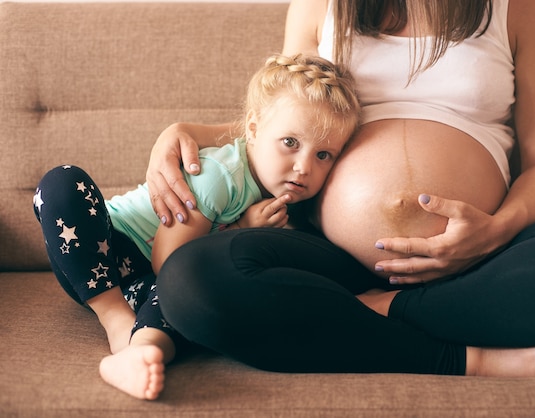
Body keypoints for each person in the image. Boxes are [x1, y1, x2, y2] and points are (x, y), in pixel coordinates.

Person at [147, 0, 535, 378]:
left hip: (482, 261)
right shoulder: (321, 5)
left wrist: (495, 231)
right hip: (332, 262)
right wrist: (185, 131)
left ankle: (377, 312)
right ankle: (465, 358)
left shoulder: (522, 6)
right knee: (191, 279)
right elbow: (280, 121)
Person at [32, 53, 361, 400]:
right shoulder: (222, 175)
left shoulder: (290, 201)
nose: (303, 167)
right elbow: (167, 260)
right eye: (290, 143)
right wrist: (239, 228)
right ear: (253, 129)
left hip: (148, 286)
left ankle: (140, 353)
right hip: (97, 255)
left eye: (323, 155)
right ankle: (115, 319)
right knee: (62, 183)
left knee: (190, 301)